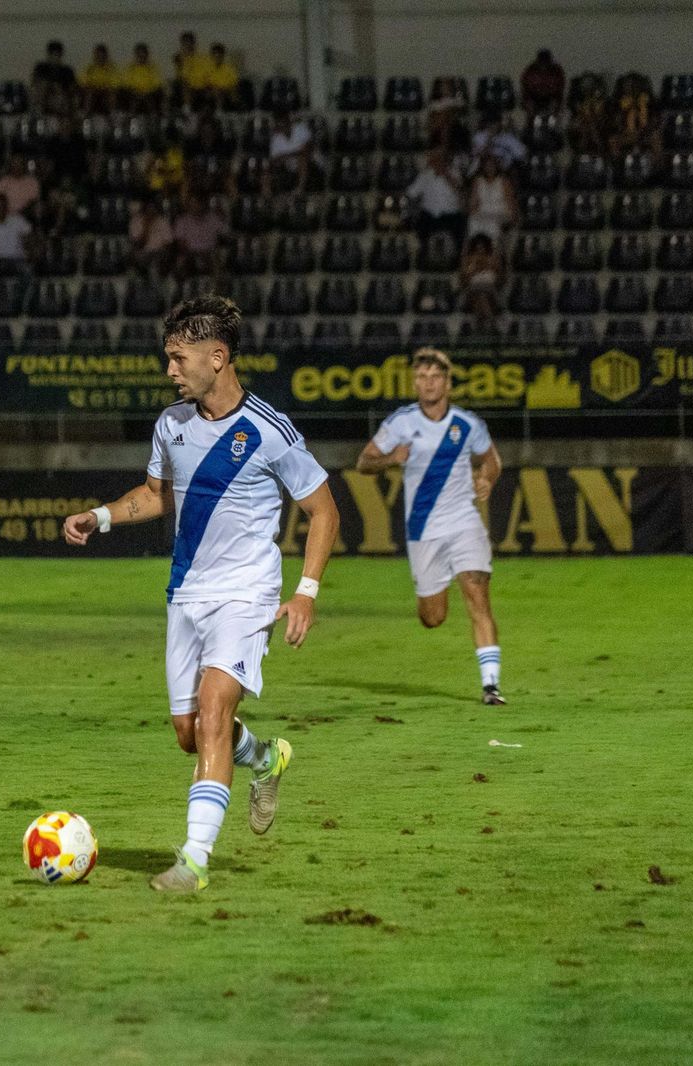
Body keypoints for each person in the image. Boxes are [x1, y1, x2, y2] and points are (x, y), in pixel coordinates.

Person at [61, 295, 340, 893]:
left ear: (217, 357)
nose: (169, 370)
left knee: (214, 714)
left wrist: (306, 593)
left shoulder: (270, 431)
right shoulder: (171, 424)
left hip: (246, 594)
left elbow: (323, 510)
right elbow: (158, 494)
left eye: (176, 357)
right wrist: (100, 516)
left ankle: (193, 861)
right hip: (186, 593)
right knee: (189, 732)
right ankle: (266, 759)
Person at [355, 348, 506, 705]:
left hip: (464, 521)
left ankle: (491, 687)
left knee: (478, 596)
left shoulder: (467, 424)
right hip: (423, 530)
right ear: (414, 383)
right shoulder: (401, 423)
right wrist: (392, 458)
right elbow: (364, 462)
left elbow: (492, 460)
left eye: (435, 377)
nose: (428, 384)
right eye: (421, 378)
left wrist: (487, 479)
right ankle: (439, 585)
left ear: (448, 382)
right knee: (433, 617)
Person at [406, 146, 466, 248]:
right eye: (435, 159)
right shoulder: (425, 175)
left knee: (459, 230)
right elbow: (411, 193)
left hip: (450, 215)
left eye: (441, 159)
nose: (438, 162)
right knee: (419, 225)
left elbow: (460, 189)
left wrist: (446, 175)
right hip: (429, 215)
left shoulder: (455, 172)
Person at [171, 194, 228, 278]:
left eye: (197, 203)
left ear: (203, 204)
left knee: (218, 262)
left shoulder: (213, 218)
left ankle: (215, 288)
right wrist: (193, 254)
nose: (195, 206)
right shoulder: (182, 220)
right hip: (190, 254)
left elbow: (226, 233)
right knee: (181, 262)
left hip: (210, 254)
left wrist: (223, 215)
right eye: (192, 203)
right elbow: (180, 244)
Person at [467, 152, 518, 243]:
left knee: (492, 226)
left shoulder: (504, 181)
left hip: (500, 213)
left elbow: (511, 201)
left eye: (492, 165)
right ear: (483, 167)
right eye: (487, 165)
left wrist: (513, 217)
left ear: (496, 166)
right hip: (483, 212)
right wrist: (472, 212)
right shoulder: (478, 181)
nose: (490, 168)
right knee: (472, 222)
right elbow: (474, 202)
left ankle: (493, 253)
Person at [458, 234, 504, 328]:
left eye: (482, 248)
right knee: (479, 295)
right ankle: (490, 321)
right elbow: (463, 280)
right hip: (472, 290)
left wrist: (488, 266)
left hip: (490, 289)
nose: (480, 251)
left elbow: (500, 279)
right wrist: (474, 268)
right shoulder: (468, 260)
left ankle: (479, 323)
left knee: (482, 295)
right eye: (477, 248)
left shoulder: (494, 259)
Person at [266, 108, 314, 194]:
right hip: (288, 167)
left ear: (288, 120)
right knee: (269, 169)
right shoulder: (275, 138)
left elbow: (306, 151)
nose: (281, 124)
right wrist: (293, 154)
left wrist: (286, 156)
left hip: (311, 163)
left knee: (302, 159)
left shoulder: (301, 128)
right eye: (279, 122)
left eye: (283, 121)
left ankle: (300, 189)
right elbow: (275, 160)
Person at [31, 41, 76, 117]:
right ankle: (39, 113)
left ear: (61, 55)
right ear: (48, 55)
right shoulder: (41, 67)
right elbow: (35, 83)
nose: (55, 58)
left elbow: (72, 88)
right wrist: (51, 86)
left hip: (62, 97)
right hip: (45, 95)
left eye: (57, 55)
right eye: (53, 55)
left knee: (61, 96)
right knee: (40, 88)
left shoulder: (67, 70)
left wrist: (60, 90)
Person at [129, 198, 174, 275]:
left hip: (159, 252)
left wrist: (161, 252)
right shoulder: (136, 221)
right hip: (143, 252)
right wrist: (147, 225)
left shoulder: (163, 221)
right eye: (149, 208)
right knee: (136, 256)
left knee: (161, 260)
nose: (151, 210)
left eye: (153, 208)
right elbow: (138, 244)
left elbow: (168, 244)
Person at [121, 43, 165, 113]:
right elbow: (127, 83)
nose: (141, 56)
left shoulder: (153, 67)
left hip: (149, 92)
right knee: (125, 93)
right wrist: (136, 91)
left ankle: (154, 118)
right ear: (136, 55)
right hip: (134, 92)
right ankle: (130, 118)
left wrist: (146, 92)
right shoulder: (130, 68)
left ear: (147, 55)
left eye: (143, 53)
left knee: (157, 94)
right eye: (139, 54)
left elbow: (157, 83)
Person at [520, 49, 565, 116]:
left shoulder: (556, 70)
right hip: (534, 97)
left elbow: (560, 85)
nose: (544, 64)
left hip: (552, 97)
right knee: (530, 107)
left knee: (555, 106)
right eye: (542, 61)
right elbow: (525, 84)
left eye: (545, 61)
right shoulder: (531, 69)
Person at [79, 44, 119, 115]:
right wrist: (93, 87)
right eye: (98, 56)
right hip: (93, 91)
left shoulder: (112, 68)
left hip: (106, 91)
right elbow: (83, 82)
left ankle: (112, 116)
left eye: (102, 56)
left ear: (106, 56)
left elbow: (114, 84)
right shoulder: (89, 68)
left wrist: (104, 88)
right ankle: (86, 116)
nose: (100, 58)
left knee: (113, 94)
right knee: (88, 94)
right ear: (95, 56)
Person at [205, 43, 241, 110]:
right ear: (212, 56)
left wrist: (224, 89)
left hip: (226, 91)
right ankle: (219, 110)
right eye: (215, 55)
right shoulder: (207, 68)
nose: (217, 57)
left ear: (223, 56)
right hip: (211, 91)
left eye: (219, 55)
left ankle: (226, 111)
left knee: (231, 93)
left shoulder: (229, 68)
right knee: (216, 91)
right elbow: (205, 83)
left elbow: (234, 84)